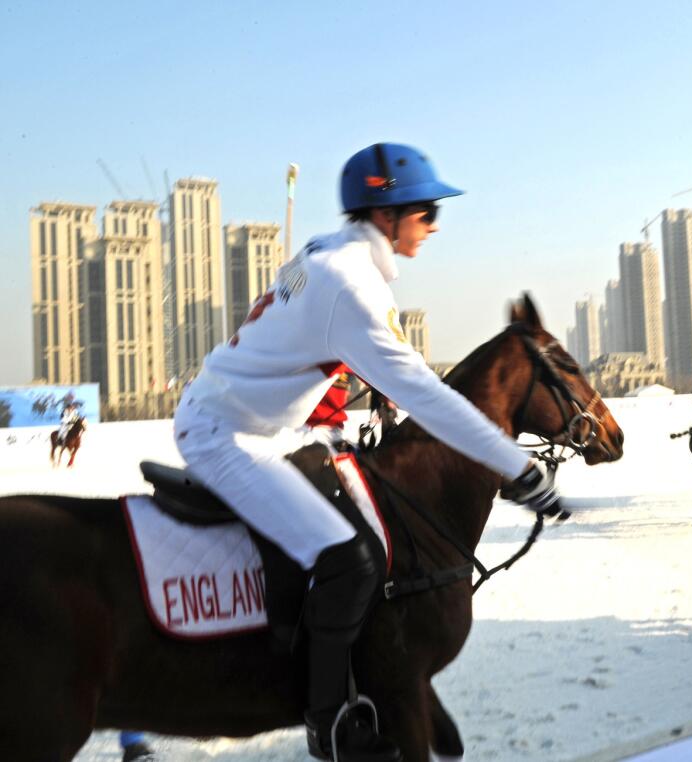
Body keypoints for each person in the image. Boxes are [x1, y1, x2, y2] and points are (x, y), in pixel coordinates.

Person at [173, 142, 562, 762]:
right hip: (227, 435)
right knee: (349, 558)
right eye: (426, 211)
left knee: (372, 516)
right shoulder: (350, 283)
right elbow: (426, 398)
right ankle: (330, 721)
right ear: (387, 214)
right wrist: (515, 467)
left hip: (266, 427)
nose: (433, 226)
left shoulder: (324, 254)